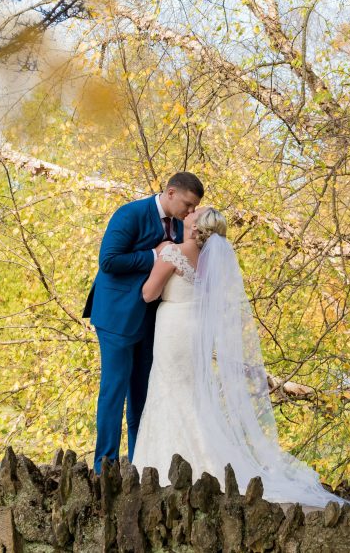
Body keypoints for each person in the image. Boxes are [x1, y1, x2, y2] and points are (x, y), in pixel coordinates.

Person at [132, 206, 343, 507]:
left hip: (174, 329)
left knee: (167, 390)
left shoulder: (171, 253)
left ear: (195, 228)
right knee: (193, 394)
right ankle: (202, 463)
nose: (188, 214)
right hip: (196, 332)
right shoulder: (209, 262)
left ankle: (162, 467)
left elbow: (149, 293)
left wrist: (158, 253)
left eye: (193, 214)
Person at [83, 172, 204, 474]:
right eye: (188, 205)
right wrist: (154, 255)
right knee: (114, 390)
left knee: (143, 393)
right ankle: (105, 466)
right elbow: (108, 261)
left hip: (153, 323)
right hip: (117, 316)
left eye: (194, 208)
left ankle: (141, 463)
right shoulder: (130, 213)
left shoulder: (179, 227)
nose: (190, 213)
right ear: (171, 192)